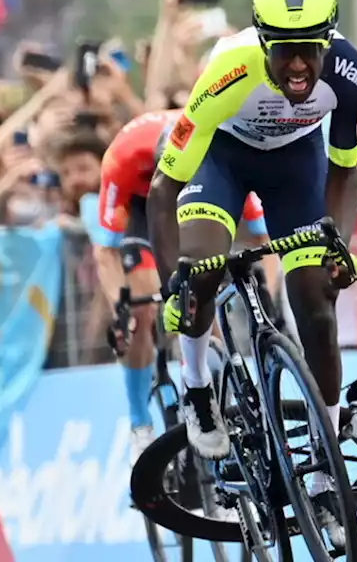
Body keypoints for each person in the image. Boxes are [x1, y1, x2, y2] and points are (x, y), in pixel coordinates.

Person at [148, 0, 357, 542]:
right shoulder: (228, 71)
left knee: (317, 309)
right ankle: (197, 384)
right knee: (202, 267)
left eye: (309, 53)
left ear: (328, 43)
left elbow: (345, 167)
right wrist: (173, 275)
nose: (298, 66)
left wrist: (336, 240)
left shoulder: (348, 75)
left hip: (295, 165)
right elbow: (162, 188)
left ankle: (326, 467)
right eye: (285, 53)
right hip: (219, 160)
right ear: (264, 43)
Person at [91, 110, 270, 462]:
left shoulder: (219, 149)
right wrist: (120, 307)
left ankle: (215, 396)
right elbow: (105, 252)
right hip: (141, 213)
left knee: (204, 296)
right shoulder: (123, 156)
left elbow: (263, 234)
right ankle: (140, 424)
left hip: (202, 196)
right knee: (140, 312)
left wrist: (270, 293)